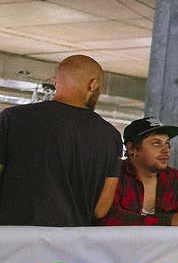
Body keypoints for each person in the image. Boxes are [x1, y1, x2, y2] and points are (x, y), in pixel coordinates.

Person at [0, 55, 121, 226]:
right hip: (67, 245)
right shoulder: (111, 136)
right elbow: (100, 209)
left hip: (14, 241)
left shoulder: (13, 118)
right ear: (93, 84)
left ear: (56, 82)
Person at [100, 117, 178, 227]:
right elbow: (107, 218)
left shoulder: (176, 178)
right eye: (156, 143)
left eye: (167, 143)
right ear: (132, 149)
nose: (166, 150)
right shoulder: (115, 175)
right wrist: (168, 221)